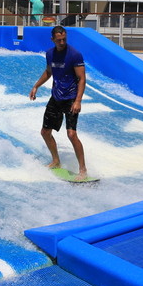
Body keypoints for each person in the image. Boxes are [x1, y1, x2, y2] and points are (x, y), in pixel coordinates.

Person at [29, 26, 88, 180]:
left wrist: (78, 101)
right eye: (59, 40)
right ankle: (56, 161)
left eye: (64, 39)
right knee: (45, 132)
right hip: (56, 97)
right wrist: (36, 86)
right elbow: (49, 71)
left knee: (71, 134)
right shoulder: (50, 54)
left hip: (71, 99)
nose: (62, 42)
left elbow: (82, 78)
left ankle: (83, 170)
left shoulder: (74, 55)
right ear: (53, 39)